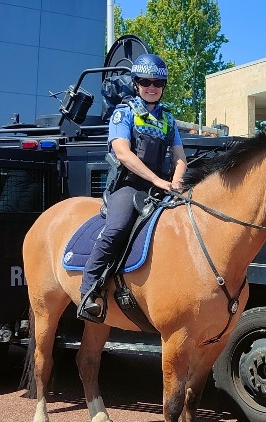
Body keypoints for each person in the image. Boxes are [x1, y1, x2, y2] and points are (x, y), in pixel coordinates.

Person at [78, 53, 187, 321]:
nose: (152, 87)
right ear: (136, 83)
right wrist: (157, 180)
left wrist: (177, 181)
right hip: (129, 187)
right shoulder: (123, 114)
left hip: (162, 187)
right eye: (145, 81)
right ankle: (88, 291)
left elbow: (180, 157)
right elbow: (123, 153)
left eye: (157, 83)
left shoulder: (168, 120)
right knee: (116, 228)